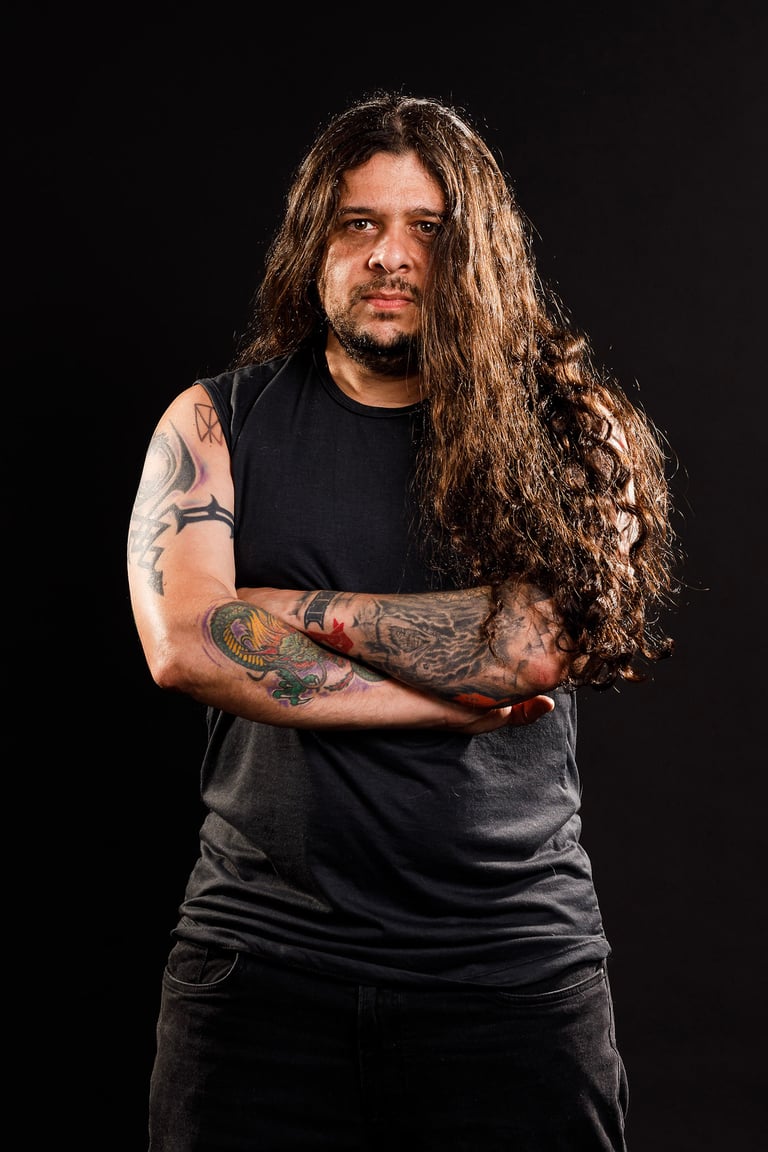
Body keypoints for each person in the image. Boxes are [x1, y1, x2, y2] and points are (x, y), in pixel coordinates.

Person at [127, 90, 678, 1151]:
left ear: (479, 253)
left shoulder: (576, 433)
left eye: (428, 228)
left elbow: (525, 650)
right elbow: (186, 644)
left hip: (512, 976)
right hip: (259, 973)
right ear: (313, 242)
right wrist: (443, 700)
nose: (391, 256)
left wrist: (284, 610)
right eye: (359, 223)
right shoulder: (214, 422)